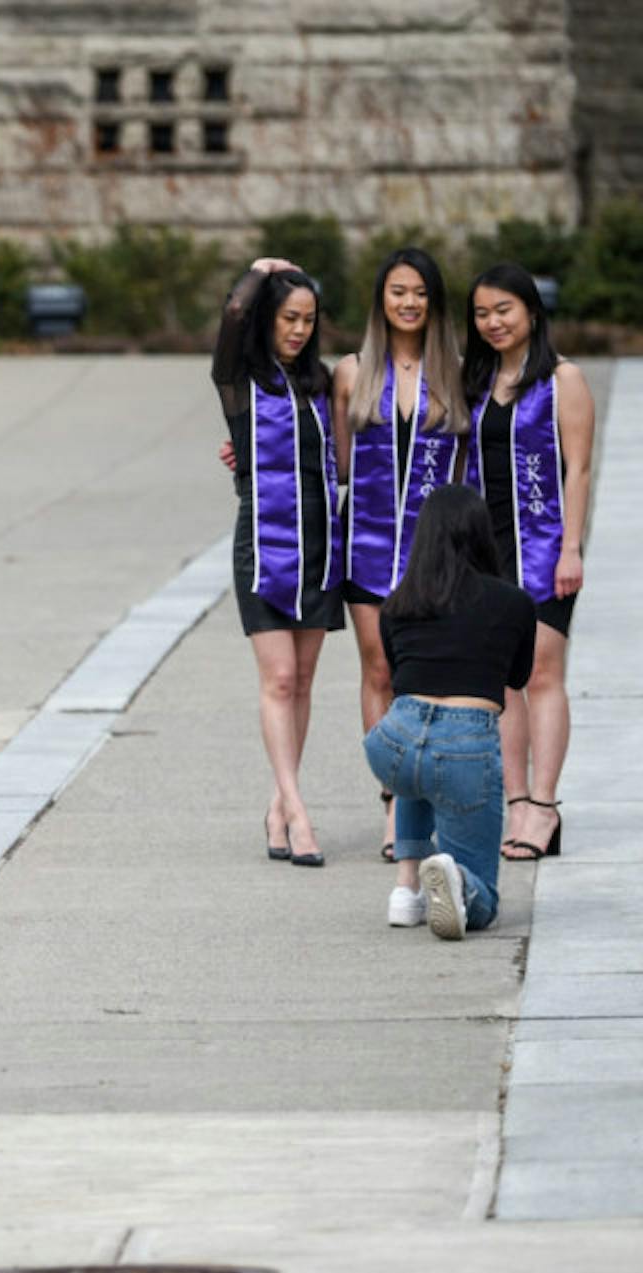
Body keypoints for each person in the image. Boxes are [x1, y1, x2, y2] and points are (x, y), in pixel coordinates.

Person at [334, 249, 470, 862]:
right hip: (367, 547)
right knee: (380, 673)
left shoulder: (460, 374)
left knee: (423, 679)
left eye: (419, 292)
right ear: (380, 300)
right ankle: (393, 805)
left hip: (432, 556)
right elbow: (333, 462)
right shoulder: (352, 372)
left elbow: (473, 465)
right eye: (397, 291)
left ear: (433, 301)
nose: (409, 302)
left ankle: (427, 802)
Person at [461, 263, 595, 863]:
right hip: (487, 552)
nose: (492, 322)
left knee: (541, 675)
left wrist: (571, 547)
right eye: (482, 313)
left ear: (531, 313)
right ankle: (513, 800)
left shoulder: (563, 379)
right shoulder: (477, 378)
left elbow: (579, 468)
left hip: (544, 547)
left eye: (503, 310)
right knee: (502, 681)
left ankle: (543, 806)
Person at [214, 257, 343, 867]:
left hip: (320, 546)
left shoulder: (321, 384)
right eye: (287, 318)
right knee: (280, 680)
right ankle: (299, 813)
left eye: (307, 320)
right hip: (264, 546)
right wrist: (259, 271)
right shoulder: (241, 382)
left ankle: (276, 803)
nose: (297, 330)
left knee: (306, 682)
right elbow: (234, 314)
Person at [364, 485, 536, 938]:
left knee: (417, 769)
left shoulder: (397, 603)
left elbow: (401, 677)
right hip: (463, 743)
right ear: (481, 535)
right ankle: (459, 883)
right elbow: (517, 679)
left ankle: (405, 889)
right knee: (485, 903)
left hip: (393, 742)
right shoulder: (513, 602)